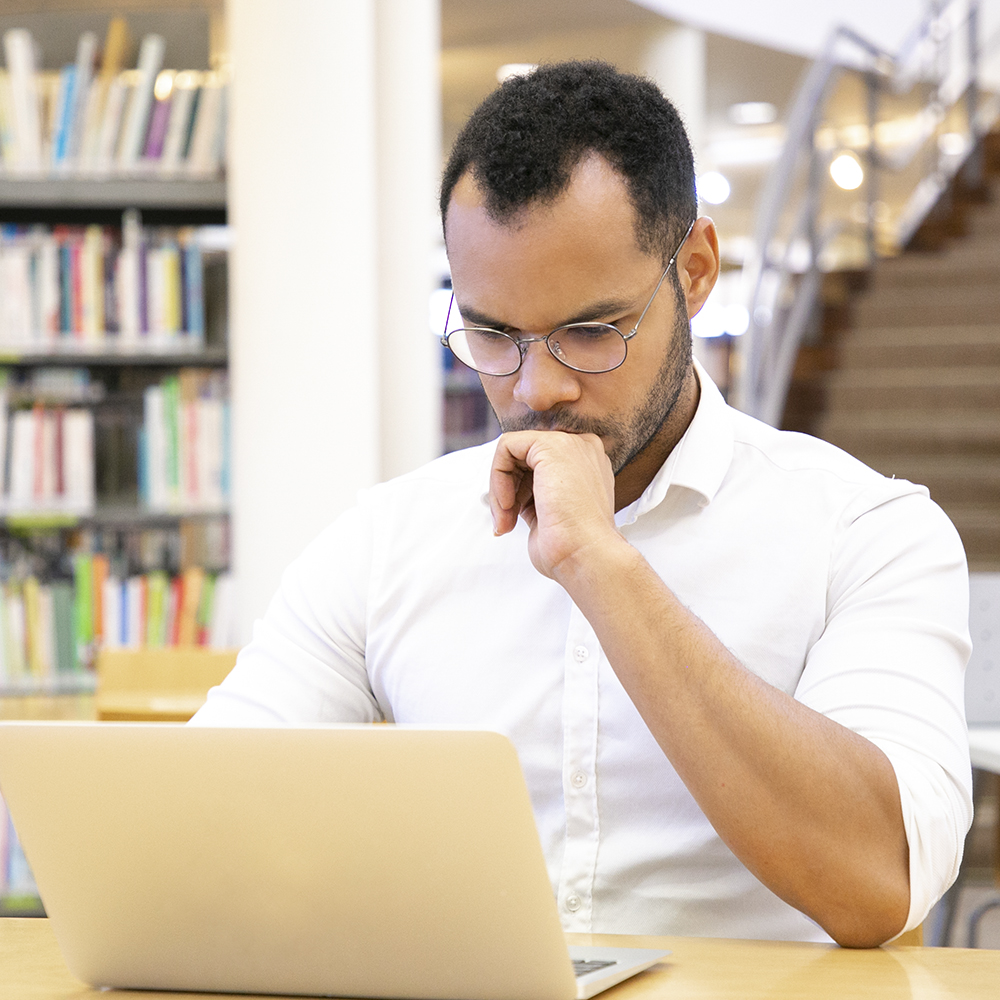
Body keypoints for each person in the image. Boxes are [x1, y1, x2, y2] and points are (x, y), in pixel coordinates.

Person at [191, 61, 972, 948]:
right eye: (492, 335)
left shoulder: (867, 532)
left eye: (592, 330)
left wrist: (600, 565)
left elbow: (880, 878)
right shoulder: (386, 539)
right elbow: (202, 824)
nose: (539, 386)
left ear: (698, 270)